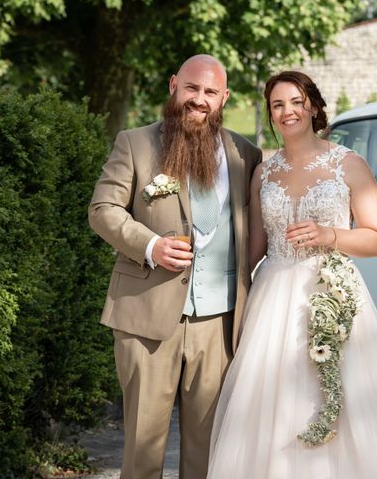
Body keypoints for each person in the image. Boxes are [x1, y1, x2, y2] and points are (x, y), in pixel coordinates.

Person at [206, 71, 377, 478]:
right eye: (277, 105)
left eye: (296, 102)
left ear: (313, 106)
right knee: (270, 404)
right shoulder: (264, 172)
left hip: (332, 290)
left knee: (344, 401)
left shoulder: (348, 164)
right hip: (273, 300)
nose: (287, 111)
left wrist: (331, 234)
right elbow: (255, 249)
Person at [88, 54, 261, 478]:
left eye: (209, 93)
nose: (198, 100)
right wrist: (150, 246)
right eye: (191, 89)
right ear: (173, 86)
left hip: (219, 324)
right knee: (143, 452)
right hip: (146, 318)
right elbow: (102, 209)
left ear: (224, 98)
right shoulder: (136, 143)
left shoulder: (246, 154)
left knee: (207, 452)